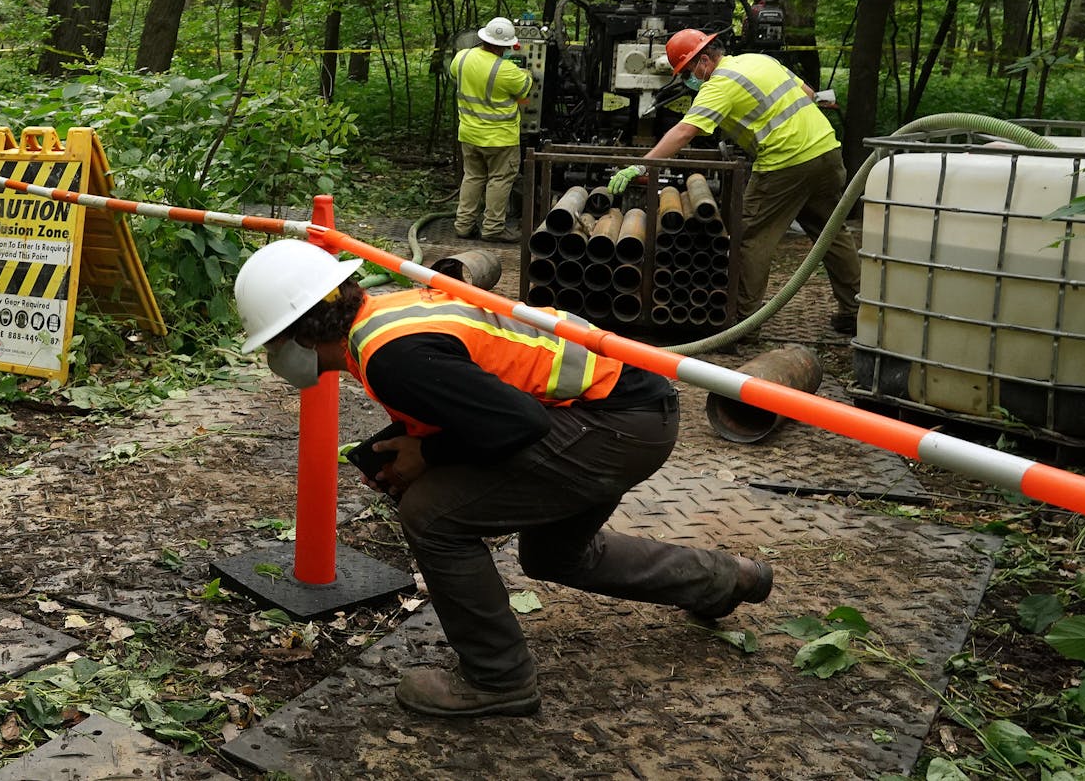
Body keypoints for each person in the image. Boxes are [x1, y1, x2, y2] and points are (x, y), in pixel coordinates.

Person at [233, 239, 774, 718]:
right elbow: (476, 392)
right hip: (629, 409)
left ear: (299, 335)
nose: (274, 359)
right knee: (555, 556)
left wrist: (429, 454)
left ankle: (498, 681)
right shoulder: (385, 317)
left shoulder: (390, 358)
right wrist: (411, 443)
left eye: (273, 346)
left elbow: (519, 424)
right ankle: (728, 580)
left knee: (433, 517)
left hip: (616, 424)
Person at [608, 29, 861, 334]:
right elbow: (808, 94)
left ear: (704, 60)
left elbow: (685, 131)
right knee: (832, 232)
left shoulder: (719, 84)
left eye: (688, 71)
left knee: (750, 236)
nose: (689, 79)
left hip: (785, 163)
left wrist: (641, 165)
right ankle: (856, 311)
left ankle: (741, 320)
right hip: (827, 151)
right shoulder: (759, 60)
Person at [448, 17, 534, 244]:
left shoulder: (462, 58)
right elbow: (525, 89)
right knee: (500, 179)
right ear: (504, 46)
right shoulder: (507, 71)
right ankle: (493, 228)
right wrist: (527, 73)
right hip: (500, 139)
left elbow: (455, 76)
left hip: (468, 134)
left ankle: (464, 225)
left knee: (473, 176)